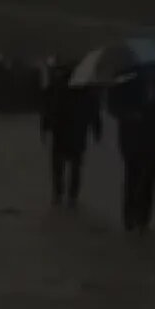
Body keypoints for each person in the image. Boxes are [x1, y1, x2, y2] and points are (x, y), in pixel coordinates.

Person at [108, 63, 155, 232]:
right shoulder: (127, 83)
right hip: (132, 139)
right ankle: (129, 216)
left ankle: (143, 218)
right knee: (132, 178)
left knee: (149, 179)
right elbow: (113, 105)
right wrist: (128, 114)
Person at [41, 61, 102, 207]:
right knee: (75, 165)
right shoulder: (85, 88)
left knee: (59, 165)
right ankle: (71, 195)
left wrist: (45, 127)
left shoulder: (56, 86)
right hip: (76, 130)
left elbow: (48, 108)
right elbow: (93, 111)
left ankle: (59, 193)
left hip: (61, 129)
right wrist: (97, 129)